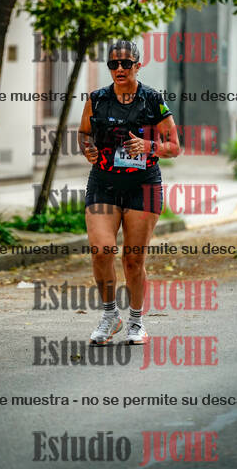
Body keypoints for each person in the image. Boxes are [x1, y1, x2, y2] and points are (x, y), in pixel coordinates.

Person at [78, 40, 180, 345]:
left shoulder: (152, 100)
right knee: (101, 250)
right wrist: (87, 149)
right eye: (113, 64)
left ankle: (136, 321)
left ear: (138, 65)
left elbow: (174, 146)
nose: (119, 69)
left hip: (142, 186)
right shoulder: (97, 99)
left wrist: (149, 146)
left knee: (133, 260)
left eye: (126, 64)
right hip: (104, 184)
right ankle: (111, 316)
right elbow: (84, 133)